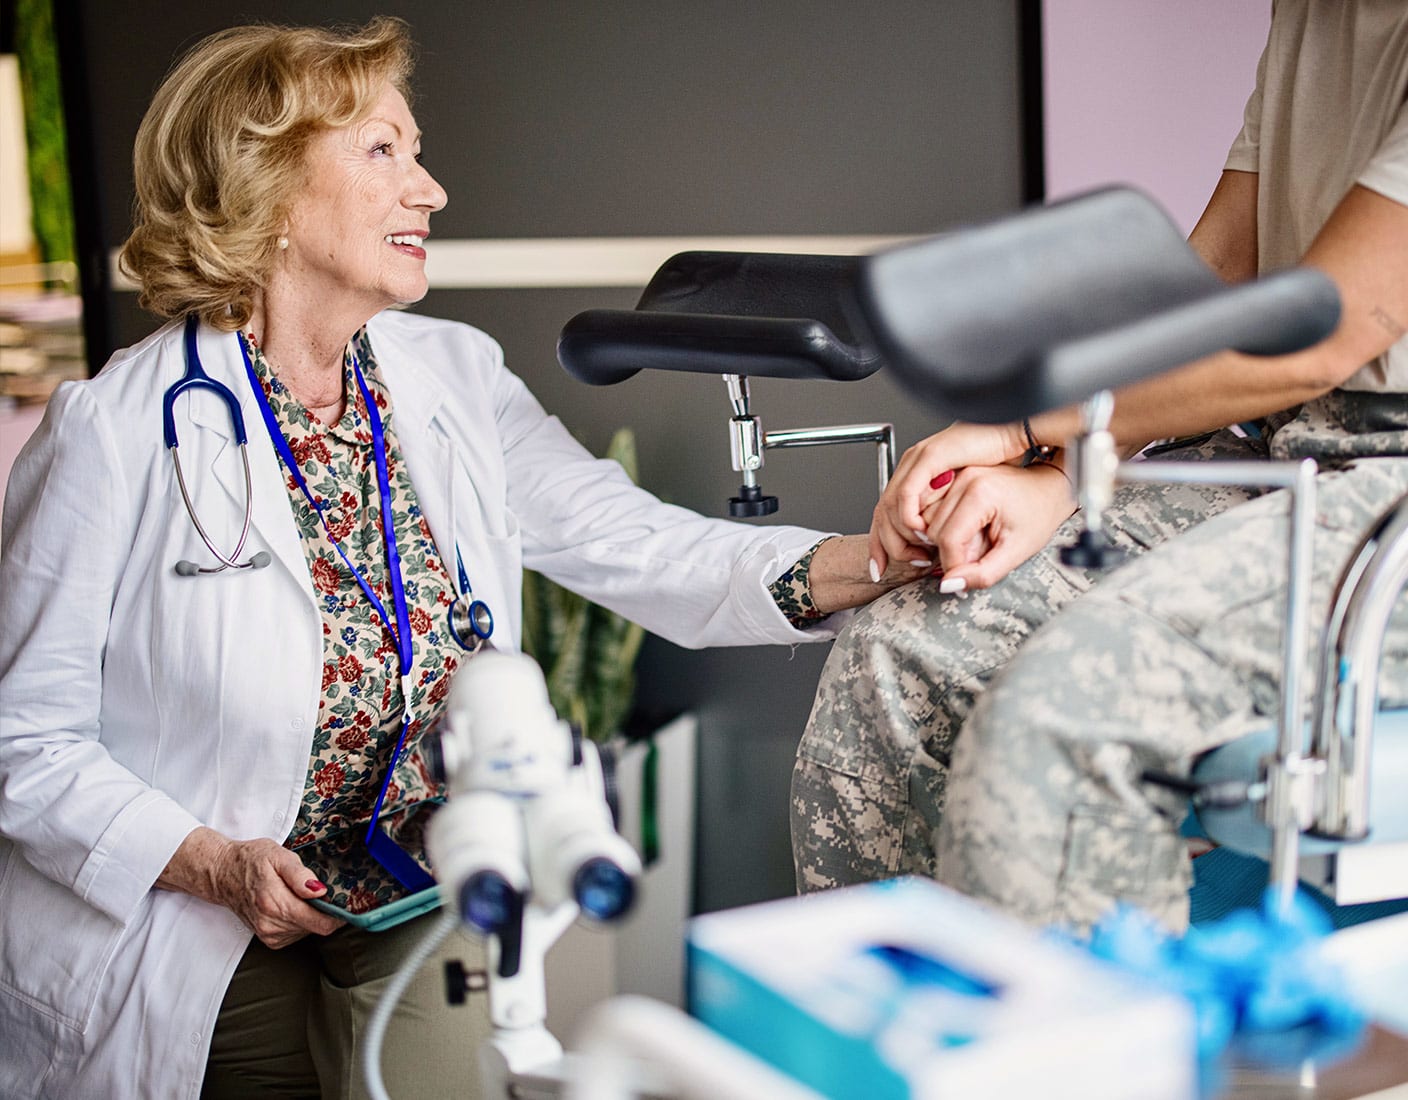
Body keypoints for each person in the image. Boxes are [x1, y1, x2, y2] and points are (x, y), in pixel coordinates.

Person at [0, 19, 930, 1100]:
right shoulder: (113, 431)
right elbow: (23, 737)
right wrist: (211, 858)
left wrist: (876, 558)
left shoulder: (450, 377)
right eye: (383, 151)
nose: (430, 189)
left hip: (415, 891)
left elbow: (629, 540)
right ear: (266, 189)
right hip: (195, 933)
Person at [793, 0, 1408, 932]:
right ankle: (902, 1053)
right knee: (897, 659)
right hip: (1274, 449)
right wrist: (1064, 466)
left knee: (1061, 716)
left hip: (1388, 486)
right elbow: (1220, 278)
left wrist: (1024, 428)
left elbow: (1334, 323)